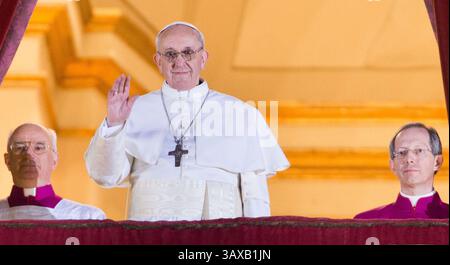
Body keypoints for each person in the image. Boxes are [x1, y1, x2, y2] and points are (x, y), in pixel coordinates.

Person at [84, 21, 290, 221]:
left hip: (217, 234)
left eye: (188, 53)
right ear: (158, 61)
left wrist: (256, 240)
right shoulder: (134, 110)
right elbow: (105, 176)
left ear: (203, 58)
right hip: (150, 232)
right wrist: (114, 125)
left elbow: (255, 195)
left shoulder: (240, 113)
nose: (179, 62)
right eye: (170, 54)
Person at [0, 123, 106, 220]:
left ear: (54, 160)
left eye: (39, 148)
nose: (29, 154)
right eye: (20, 148)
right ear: (8, 161)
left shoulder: (87, 217)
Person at [354, 122, 448, 219]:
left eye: (419, 150)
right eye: (402, 152)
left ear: (437, 162)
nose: (409, 159)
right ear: (393, 165)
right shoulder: (366, 223)